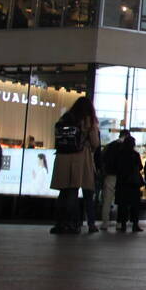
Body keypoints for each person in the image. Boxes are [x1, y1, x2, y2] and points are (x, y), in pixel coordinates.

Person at [50, 97, 100, 234]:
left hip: (62, 158)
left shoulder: (66, 117)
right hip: (78, 158)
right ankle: (71, 224)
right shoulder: (88, 121)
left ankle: (59, 223)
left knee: (63, 192)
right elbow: (95, 142)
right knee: (73, 191)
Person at [100, 130, 130, 231]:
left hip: (110, 176)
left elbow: (102, 159)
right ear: (127, 136)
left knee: (107, 200)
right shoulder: (127, 148)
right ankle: (119, 223)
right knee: (122, 201)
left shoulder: (109, 146)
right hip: (123, 177)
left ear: (119, 135)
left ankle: (105, 223)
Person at [114, 135, 144, 232]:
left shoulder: (119, 154)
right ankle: (135, 225)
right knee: (135, 204)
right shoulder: (135, 154)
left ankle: (123, 224)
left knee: (123, 204)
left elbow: (117, 167)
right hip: (133, 183)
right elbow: (140, 167)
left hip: (122, 182)